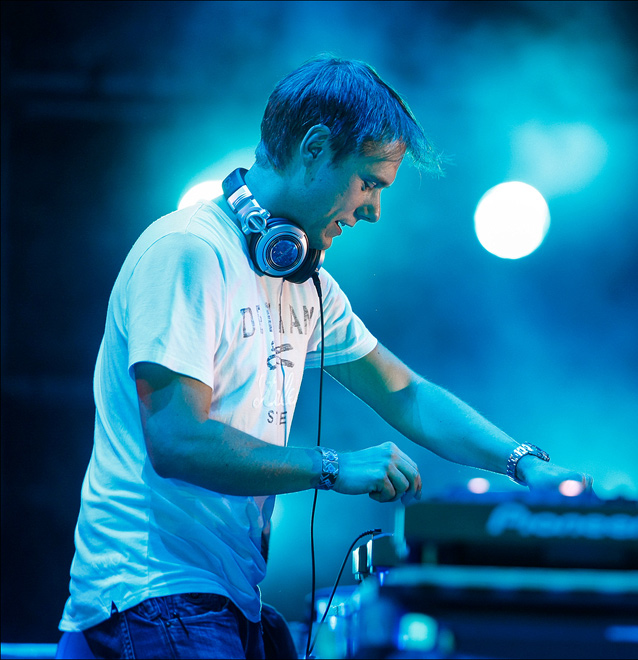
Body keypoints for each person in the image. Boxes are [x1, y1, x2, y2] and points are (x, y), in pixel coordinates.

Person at [57, 55, 591, 659]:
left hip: (220, 599)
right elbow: (177, 439)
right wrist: (332, 465)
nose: (374, 210)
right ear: (314, 148)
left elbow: (405, 393)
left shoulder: (306, 283)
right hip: (153, 596)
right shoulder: (188, 251)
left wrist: (525, 465)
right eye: (369, 183)